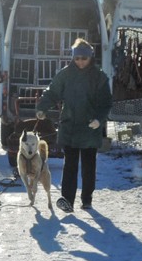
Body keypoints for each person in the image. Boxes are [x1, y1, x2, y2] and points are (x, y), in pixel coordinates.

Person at [35, 38, 112, 213]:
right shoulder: (65, 74)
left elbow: (106, 103)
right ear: (73, 58)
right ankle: (67, 200)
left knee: (88, 166)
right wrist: (42, 108)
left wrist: (99, 119)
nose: (80, 62)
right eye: (77, 58)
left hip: (90, 128)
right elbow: (52, 92)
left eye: (84, 58)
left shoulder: (99, 77)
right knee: (69, 165)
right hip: (69, 127)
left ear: (90, 57)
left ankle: (87, 199)